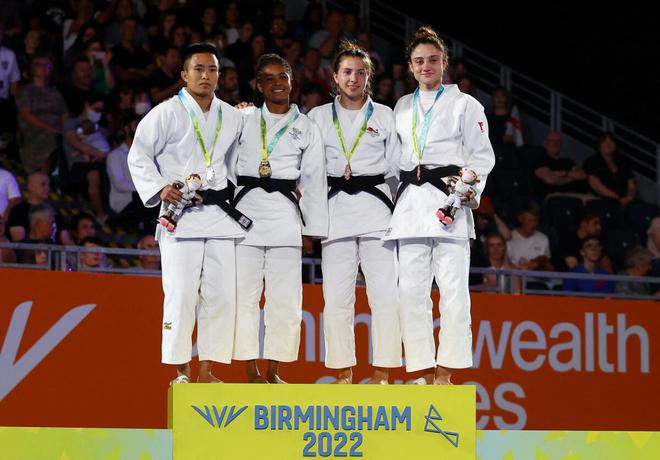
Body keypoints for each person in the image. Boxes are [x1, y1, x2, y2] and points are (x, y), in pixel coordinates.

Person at [128, 43, 250, 386]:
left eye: (212, 70)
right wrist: (158, 186)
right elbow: (138, 155)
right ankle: (180, 370)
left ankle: (208, 371)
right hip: (180, 214)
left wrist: (250, 114)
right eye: (198, 69)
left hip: (220, 216)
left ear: (219, 76)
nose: (206, 76)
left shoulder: (232, 115)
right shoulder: (165, 113)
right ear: (184, 75)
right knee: (181, 294)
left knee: (222, 297)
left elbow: (241, 154)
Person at [384, 27, 495, 385]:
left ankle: (446, 372)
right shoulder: (401, 106)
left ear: (444, 63)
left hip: (449, 206)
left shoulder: (466, 104)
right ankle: (420, 370)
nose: (426, 66)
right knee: (410, 293)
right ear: (410, 67)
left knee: (453, 293)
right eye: (419, 61)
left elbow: (481, 157)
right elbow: (391, 164)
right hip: (411, 209)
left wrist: (464, 192)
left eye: (433, 60)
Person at [307, 42, 401, 384]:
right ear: (335, 76)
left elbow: (396, 172)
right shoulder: (317, 117)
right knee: (336, 299)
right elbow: (307, 169)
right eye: (347, 72)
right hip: (335, 214)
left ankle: (382, 371)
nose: (354, 78)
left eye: (361, 72)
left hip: (377, 210)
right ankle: (343, 371)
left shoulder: (386, 116)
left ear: (369, 77)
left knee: (385, 296)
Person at [232, 53, 327, 384]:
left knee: (285, 300)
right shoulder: (241, 119)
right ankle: (250, 370)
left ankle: (274, 371)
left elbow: (314, 180)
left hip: (286, 217)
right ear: (259, 85)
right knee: (244, 296)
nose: (276, 83)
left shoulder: (306, 127)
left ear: (291, 82)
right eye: (269, 78)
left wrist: (312, 229)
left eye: (282, 77)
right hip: (244, 215)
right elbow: (224, 162)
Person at [16, 54, 66, 174]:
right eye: (39, 64)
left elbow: (64, 114)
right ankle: (43, 176)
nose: (43, 67)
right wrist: (51, 128)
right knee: (51, 137)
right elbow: (25, 114)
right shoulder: (26, 90)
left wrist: (65, 129)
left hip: (57, 129)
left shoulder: (56, 93)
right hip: (34, 131)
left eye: (47, 65)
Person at [583, 132, 636, 207]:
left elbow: (631, 185)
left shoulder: (623, 161)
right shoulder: (592, 161)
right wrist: (617, 198)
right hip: (600, 199)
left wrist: (629, 198)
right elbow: (595, 185)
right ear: (599, 145)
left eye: (611, 141)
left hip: (625, 200)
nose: (608, 144)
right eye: (605, 141)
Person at [533, 131, 588, 199]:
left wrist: (561, 173)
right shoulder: (540, 160)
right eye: (551, 141)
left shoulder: (567, 161)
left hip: (576, 194)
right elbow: (550, 180)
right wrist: (572, 177)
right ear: (545, 143)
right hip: (554, 196)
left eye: (558, 141)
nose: (555, 144)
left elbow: (582, 175)